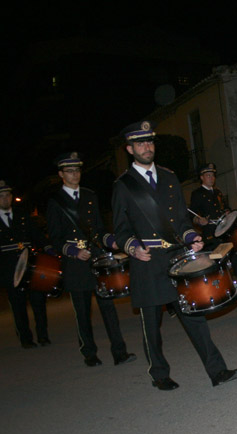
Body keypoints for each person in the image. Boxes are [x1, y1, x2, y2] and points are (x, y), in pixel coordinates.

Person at [112, 121, 237, 390]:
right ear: (129, 148)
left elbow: (181, 221)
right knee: (151, 324)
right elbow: (121, 230)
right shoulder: (124, 185)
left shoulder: (169, 177)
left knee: (194, 316)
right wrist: (132, 247)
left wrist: (191, 236)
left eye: (149, 142)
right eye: (140, 143)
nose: (147, 147)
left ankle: (217, 371)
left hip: (176, 257)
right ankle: (159, 374)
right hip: (147, 262)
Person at [46, 152, 136, 367]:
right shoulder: (55, 202)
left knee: (108, 307)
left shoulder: (89, 196)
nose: (75, 174)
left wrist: (111, 241)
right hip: (76, 263)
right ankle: (89, 353)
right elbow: (55, 238)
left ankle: (119, 352)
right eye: (69, 171)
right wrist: (73, 252)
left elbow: (98, 228)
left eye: (77, 170)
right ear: (61, 174)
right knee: (83, 312)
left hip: (96, 259)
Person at [189, 162, 237, 300]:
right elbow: (191, 215)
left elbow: (225, 208)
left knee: (235, 261)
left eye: (213, 175)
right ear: (202, 177)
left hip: (224, 234)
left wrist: (228, 211)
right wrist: (199, 221)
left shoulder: (217, 192)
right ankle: (217, 296)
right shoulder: (197, 194)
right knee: (217, 267)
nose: (211, 178)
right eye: (208, 175)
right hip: (211, 236)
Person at [0, 180, 51, 348]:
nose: (5, 199)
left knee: (38, 301)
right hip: (9, 268)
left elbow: (36, 235)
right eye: (1, 196)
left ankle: (43, 335)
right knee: (18, 306)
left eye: (7, 195)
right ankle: (25, 338)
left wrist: (48, 248)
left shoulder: (22, 215)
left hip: (29, 265)